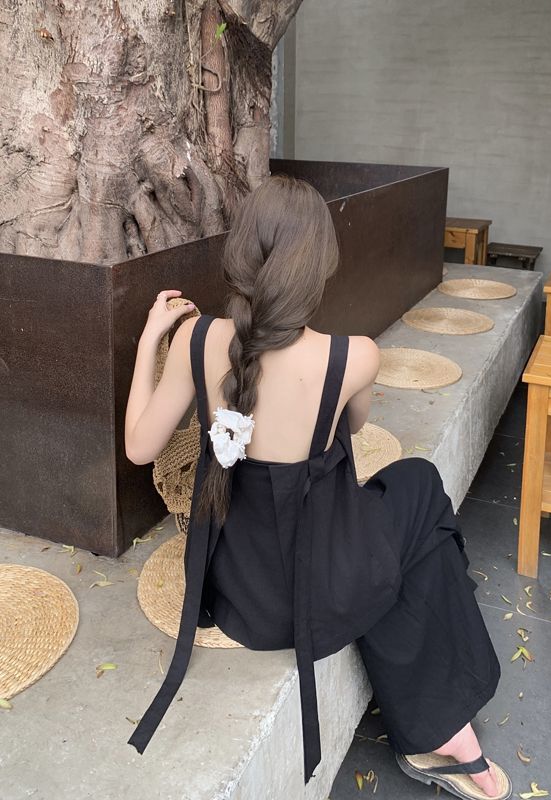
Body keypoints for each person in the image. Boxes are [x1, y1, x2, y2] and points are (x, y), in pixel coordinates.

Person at [123, 175, 511, 800]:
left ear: (241, 253)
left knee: (410, 516)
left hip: (243, 598)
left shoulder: (197, 340)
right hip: (324, 591)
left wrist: (150, 343)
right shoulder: (354, 356)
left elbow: (139, 447)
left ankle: (448, 732)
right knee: (417, 487)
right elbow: (351, 429)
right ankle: (446, 732)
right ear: (320, 264)